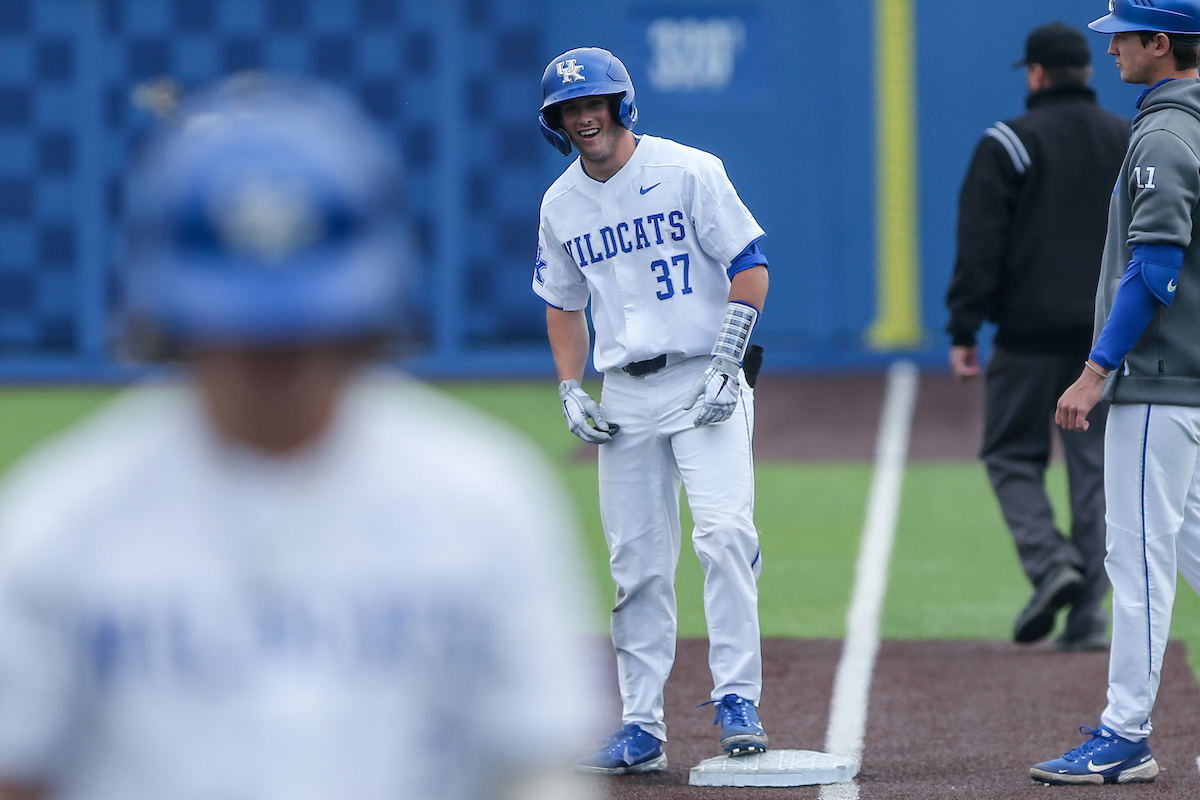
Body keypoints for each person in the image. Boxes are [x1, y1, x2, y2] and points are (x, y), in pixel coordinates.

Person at [0, 76, 600, 800]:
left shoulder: (483, 501)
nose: (274, 357)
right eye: (243, 330)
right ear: (171, 319)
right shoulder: (62, 521)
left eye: (302, 328)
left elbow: (530, 769)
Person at [532, 47, 770, 775]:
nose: (583, 118)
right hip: (626, 394)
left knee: (725, 534)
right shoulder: (560, 203)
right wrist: (572, 386)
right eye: (570, 110)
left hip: (705, 375)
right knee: (635, 564)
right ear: (557, 122)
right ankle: (641, 725)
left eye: (593, 104)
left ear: (621, 105)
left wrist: (729, 361)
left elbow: (750, 266)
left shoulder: (688, 169)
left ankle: (737, 699)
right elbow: (563, 304)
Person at [1032, 0, 1200, 786]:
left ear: (1160, 43)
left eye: (1125, 38)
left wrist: (1097, 369)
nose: (1113, 51)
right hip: (1190, 383)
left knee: (1134, 562)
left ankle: (1125, 733)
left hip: (1159, 384)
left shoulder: (1164, 135)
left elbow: (1156, 268)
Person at [945, 22, 1128, 651]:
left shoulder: (1008, 142)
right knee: (1094, 474)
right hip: (1102, 343)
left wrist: (964, 326)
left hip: (1025, 340)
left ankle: (1052, 566)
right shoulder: (1128, 141)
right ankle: (1089, 619)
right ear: (1088, 70)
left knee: (1011, 456)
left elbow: (980, 244)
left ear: (1037, 74)